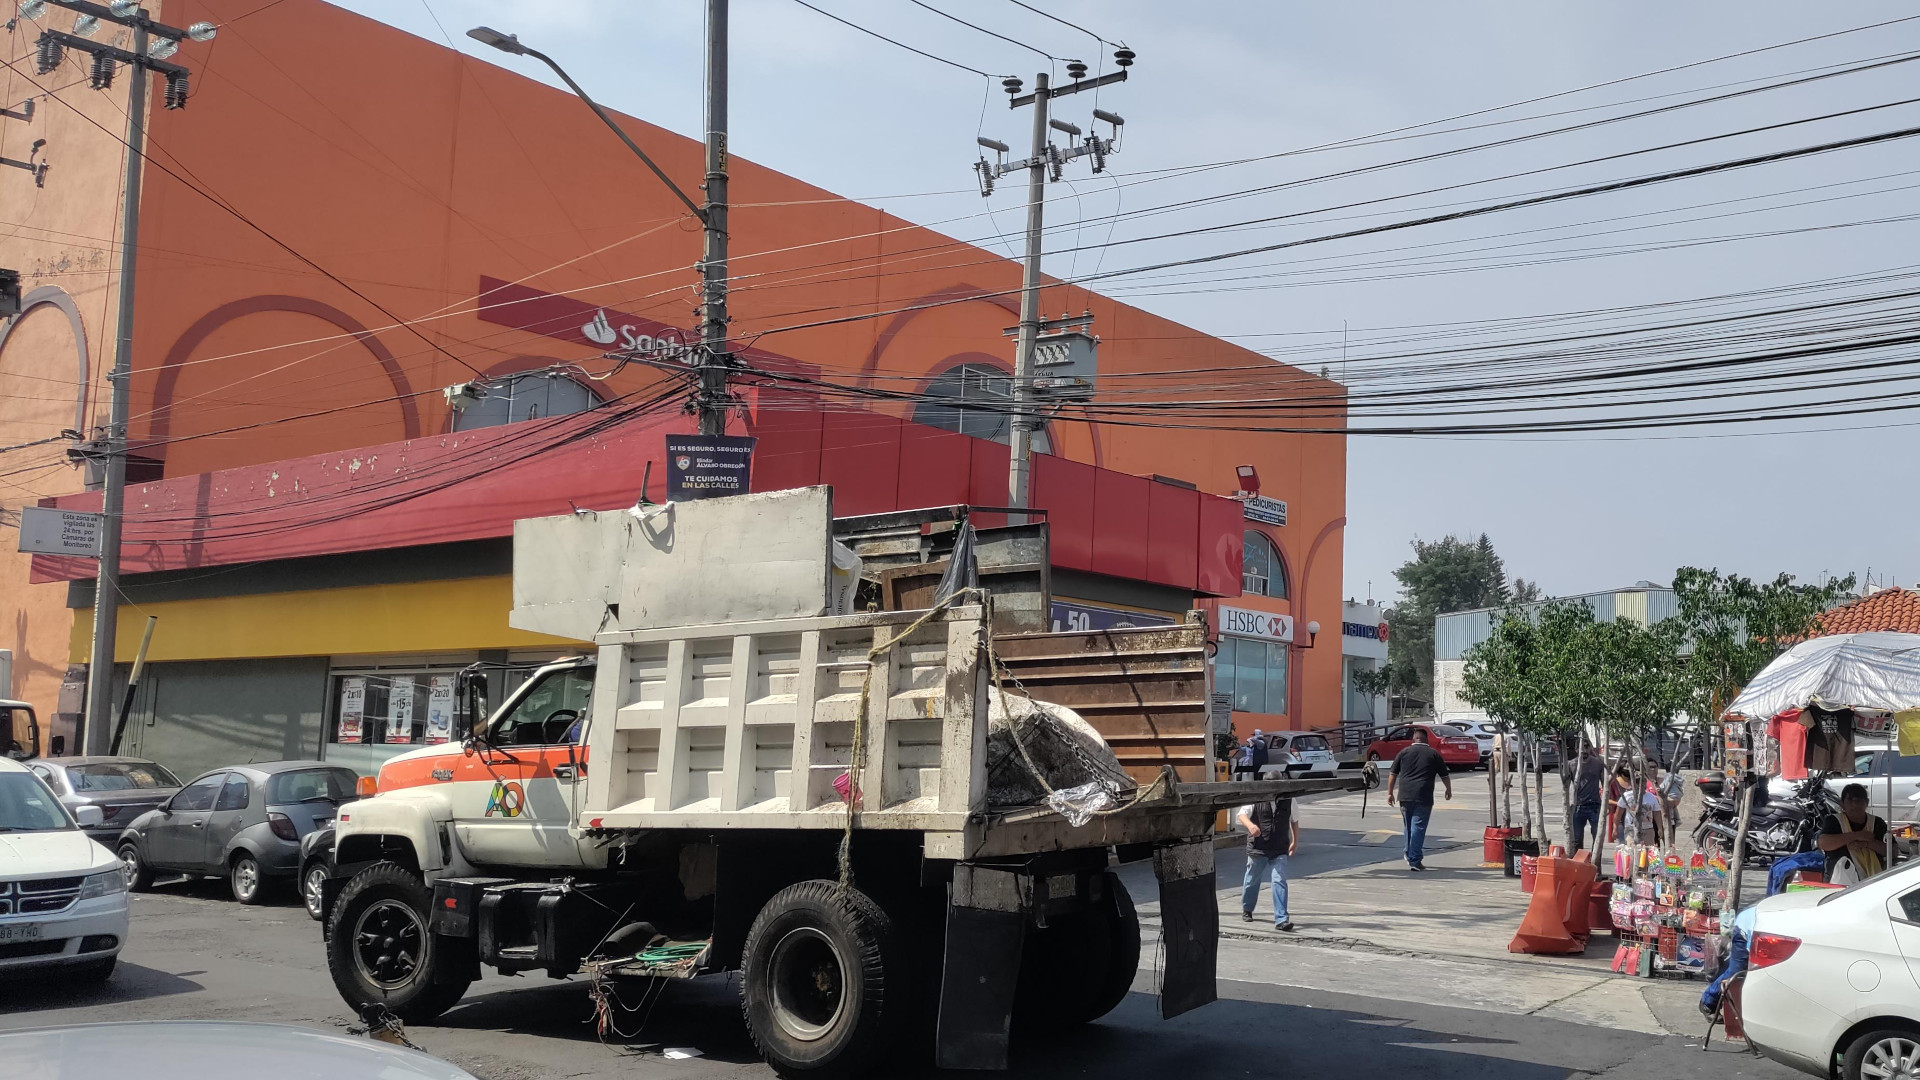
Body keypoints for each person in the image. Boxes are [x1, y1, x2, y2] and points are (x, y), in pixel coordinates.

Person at [1386, 727, 1452, 871]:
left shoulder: (1403, 752)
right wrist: (1448, 789)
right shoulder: (1433, 754)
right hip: (1423, 796)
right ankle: (1414, 859)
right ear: (1426, 739)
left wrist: (1390, 793)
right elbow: (1444, 775)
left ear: (1413, 739)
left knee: (1408, 827)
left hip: (1404, 795)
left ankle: (1409, 853)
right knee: (1418, 827)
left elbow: (1392, 774)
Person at [1237, 794, 1299, 931]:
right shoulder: (1256, 797)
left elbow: (1294, 820)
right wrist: (1251, 826)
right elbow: (1242, 815)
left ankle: (1281, 919)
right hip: (1258, 848)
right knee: (1252, 879)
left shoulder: (1289, 799)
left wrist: (1295, 841)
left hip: (1279, 848)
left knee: (1279, 880)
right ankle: (1247, 908)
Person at [1818, 782, 1889, 883]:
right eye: (1850, 800)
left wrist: (1866, 844)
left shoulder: (1877, 823)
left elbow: (1892, 851)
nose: (1855, 804)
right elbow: (1823, 844)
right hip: (1840, 880)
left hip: (1874, 880)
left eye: (1859, 800)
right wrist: (1857, 835)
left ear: (1867, 803)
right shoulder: (1833, 820)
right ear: (1842, 803)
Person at [1570, 745, 1604, 852]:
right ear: (1576, 749)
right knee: (1577, 838)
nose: (1584, 750)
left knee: (1597, 836)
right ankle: (1578, 864)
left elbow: (1605, 784)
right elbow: (1565, 785)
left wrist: (1605, 803)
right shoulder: (1571, 764)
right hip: (1578, 805)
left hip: (1594, 805)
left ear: (1590, 749)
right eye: (1581, 748)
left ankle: (1594, 862)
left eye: (1586, 747)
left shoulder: (1597, 764)